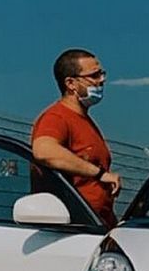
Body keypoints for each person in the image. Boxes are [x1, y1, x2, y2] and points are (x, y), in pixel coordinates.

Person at [31, 48, 121, 227]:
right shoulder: (56, 117)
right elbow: (44, 151)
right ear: (71, 83)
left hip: (97, 225)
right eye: (94, 76)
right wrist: (100, 173)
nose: (101, 80)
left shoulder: (85, 120)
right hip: (73, 228)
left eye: (102, 74)